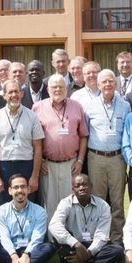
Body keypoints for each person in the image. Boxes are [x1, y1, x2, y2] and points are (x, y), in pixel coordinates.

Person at [77, 68, 130, 242]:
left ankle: (116, 240)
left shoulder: (125, 105)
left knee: (117, 203)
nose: (107, 84)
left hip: (117, 159)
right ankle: (98, 239)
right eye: (104, 82)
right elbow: (83, 134)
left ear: (116, 84)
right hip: (96, 159)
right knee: (97, 201)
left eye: (110, 81)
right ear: (98, 85)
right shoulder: (88, 107)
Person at [49, 174, 124, 263]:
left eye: (84, 184)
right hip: (73, 247)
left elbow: (102, 235)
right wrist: (76, 244)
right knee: (57, 238)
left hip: (93, 246)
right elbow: (54, 225)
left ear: (91, 186)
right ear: (72, 189)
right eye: (77, 185)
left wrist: (88, 253)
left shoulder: (103, 206)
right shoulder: (65, 203)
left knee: (117, 249)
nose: (81, 188)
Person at [34, 74, 89, 222]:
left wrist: (80, 161)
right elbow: (34, 139)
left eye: (61, 86)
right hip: (47, 165)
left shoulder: (76, 106)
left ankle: (70, 241)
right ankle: (52, 242)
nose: (58, 89)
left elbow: (83, 135)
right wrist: (40, 162)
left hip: (71, 165)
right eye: (54, 87)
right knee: (50, 205)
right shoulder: (37, 108)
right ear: (48, 89)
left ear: (66, 88)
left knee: (71, 204)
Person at [0, 174, 56, 263]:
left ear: (28, 189)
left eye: (23, 186)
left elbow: (37, 237)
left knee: (49, 247)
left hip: (31, 251)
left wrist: (26, 254)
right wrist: (14, 256)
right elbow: (4, 237)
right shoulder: (1, 211)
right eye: (16, 187)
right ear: (10, 191)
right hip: (9, 252)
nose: (20, 190)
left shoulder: (39, 211)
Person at [0, 79, 44, 206]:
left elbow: (38, 148)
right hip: (4, 167)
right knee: (4, 205)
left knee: (28, 204)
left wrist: (34, 176)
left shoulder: (32, 116)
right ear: (4, 95)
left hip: (27, 166)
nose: (14, 95)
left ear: (22, 94)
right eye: (10, 92)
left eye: (17, 91)